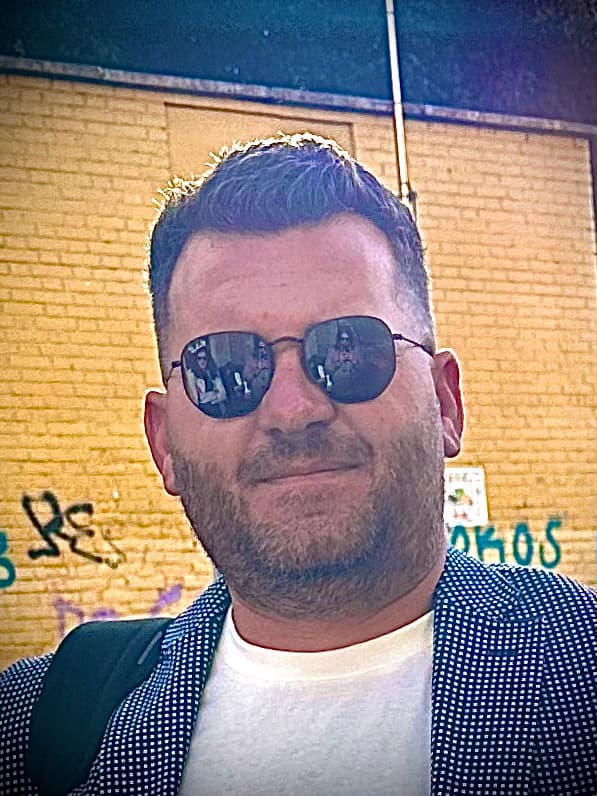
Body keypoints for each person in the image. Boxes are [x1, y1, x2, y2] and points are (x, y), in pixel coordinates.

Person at [1, 133, 595, 796]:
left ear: (445, 401)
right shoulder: (31, 728)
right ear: (163, 442)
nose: (293, 409)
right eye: (225, 367)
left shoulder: (583, 671)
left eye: (349, 349)